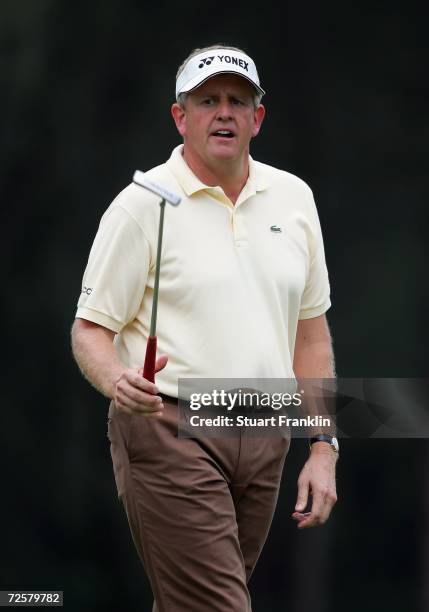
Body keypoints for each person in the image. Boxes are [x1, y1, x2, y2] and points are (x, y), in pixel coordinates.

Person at [71, 44, 338, 612]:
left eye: (238, 101)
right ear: (180, 116)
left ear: (257, 119)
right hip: (167, 425)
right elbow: (90, 329)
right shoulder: (140, 206)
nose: (224, 112)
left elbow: (310, 337)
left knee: (194, 601)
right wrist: (117, 378)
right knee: (218, 604)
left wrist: (322, 446)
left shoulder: (294, 199)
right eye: (207, 100)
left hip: (263, 427)